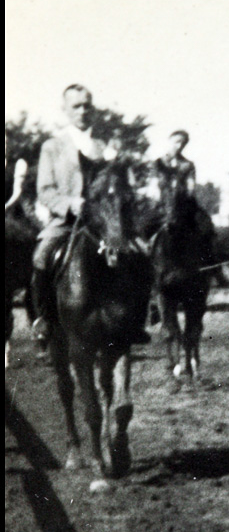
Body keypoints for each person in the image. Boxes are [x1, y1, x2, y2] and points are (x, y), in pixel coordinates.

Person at [31, 83, 149, 347]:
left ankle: (137, 320)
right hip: (67, 222)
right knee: (41, 255)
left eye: (87, 105)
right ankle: (45, 319)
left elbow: (118, 187)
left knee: (141, 253)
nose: (82, 111)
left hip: (105, 222)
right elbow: (45, 191)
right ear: (65, 110)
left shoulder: (104, 147)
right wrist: (71, 203)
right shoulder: (52, 146)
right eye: (76, 106)